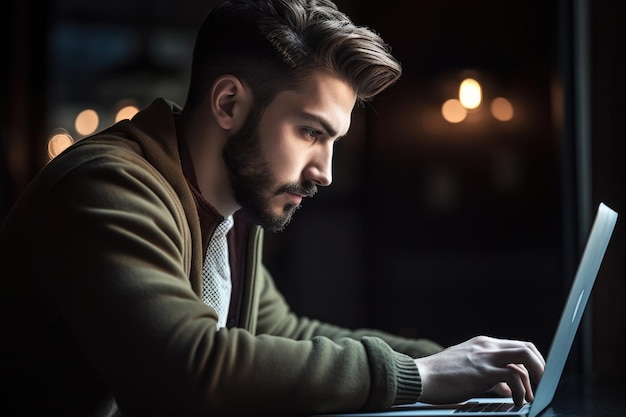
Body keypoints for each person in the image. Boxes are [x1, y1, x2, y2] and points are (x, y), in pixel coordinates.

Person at [0, 0, 545, 415]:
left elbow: (281, 335)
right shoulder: (106, 187)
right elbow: (190, 371)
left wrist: (455, 360)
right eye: (310, 131)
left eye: (333, 141)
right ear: (229, 103)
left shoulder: (229, 210)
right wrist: (420, 376)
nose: (324, 172)